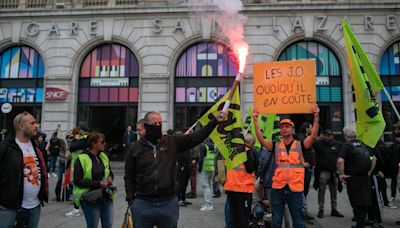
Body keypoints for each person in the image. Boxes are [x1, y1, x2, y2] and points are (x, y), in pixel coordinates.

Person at [125, 111, 225, 227]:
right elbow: (129, 176)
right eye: (155, 123)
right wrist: (132, 202)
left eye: (160, 123)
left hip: (167, 204)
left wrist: (214, 122)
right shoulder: (135, 148)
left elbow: (196, 137)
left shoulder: (170, 142)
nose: (158, 126)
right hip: (143, 204)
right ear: (147, 125)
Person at [253, 105, 320, 228]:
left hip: (295, 189)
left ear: (293, 130)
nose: (284, 129)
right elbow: (262, 140)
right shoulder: (276, 145)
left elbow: (313, 137)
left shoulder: (300, 145)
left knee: (298, 220)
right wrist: (256, 121)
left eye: (287, 127)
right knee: (276, 220)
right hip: (278, 188)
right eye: (282, 127)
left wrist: (316, 118)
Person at [0, 111, 48, 228]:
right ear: (21, 126)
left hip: (34, 206)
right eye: (32, 123)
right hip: (9, 207)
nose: (36, 126)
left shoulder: (37, 147)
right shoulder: (5, 147)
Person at [73, 131, 115, 228]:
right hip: (90, 198)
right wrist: (99, 184)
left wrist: (110, 178)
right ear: (93, 144)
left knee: (108, 225)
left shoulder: (103, 156)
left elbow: (110, 172)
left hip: (106, 196)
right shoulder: (82, 158)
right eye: (102, 142)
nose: (104, 144)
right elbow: (77, 181)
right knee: (92, 225)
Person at [337, 126, 376, 228]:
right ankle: (361, 223)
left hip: (353, 178)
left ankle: (360, 225)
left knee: (356, 202)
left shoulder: (347, 146)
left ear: (345, 136)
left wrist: (341, 175)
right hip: (365, 178)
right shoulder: (363, 144)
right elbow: (374, 159)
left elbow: (340, 161)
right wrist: (369, 172)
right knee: (364, 201)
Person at [224, 134, 255, 228]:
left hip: (231, 187)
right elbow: (251, 168)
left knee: (233, 217)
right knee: (243, 218)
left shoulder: (230, 151)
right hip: (243, 188)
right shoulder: (246, 151)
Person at [313, 129, 344, 218]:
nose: (326, 137)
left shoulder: (338, 144)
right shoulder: (318, 143)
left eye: (328, 135)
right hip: (323, 171)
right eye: (324, 135)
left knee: (334, 191)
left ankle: (334, 209)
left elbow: (341, 157)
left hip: (333, 172)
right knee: (321, 191)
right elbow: (309, 144)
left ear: (332, 136)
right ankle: (321, 209)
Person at [198, 138, 216, 211]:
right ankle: (209, 203)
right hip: (212, 168)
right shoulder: (214, 146)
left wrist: (199, 168)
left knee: (205, 186)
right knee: (209, 185)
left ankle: (209, 204)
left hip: (205, 168)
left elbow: (201, 159)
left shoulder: (203, 146)